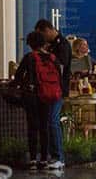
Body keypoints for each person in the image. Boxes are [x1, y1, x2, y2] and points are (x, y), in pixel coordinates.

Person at [12, 31, 58, 170]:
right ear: (44, 43)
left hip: (32, 95)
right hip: (48, 95)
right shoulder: (52, 58)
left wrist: (12, 88)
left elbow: (18, 76)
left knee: (33, 127)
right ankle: (44, 159)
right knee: (44, 127)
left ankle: (33, 159)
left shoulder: (29, 57)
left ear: (30, 44)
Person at [36, 19, 69, 170]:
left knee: (52, 121)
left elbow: (59, 66)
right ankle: (50, 155)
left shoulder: (62, 45)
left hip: (57, 90)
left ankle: (58, 157)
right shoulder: (52, 46)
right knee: (47, 121)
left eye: (42, 34)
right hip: (48, 89)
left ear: (48, 30)